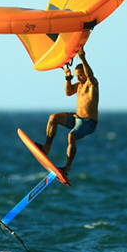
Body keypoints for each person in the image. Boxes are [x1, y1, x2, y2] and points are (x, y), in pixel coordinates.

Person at [36, 47, 99, 177]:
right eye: (77, 75)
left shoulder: (92, 83)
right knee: (53, 118)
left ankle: (67, 169)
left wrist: (82, 58)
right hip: (77, 118)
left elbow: (90, 75)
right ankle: (46, 147)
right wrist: (68, 77)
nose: (79, 77)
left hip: (88, 122)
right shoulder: (79, 85)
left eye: (80, 75)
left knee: (71, 137)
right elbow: (68, 92)